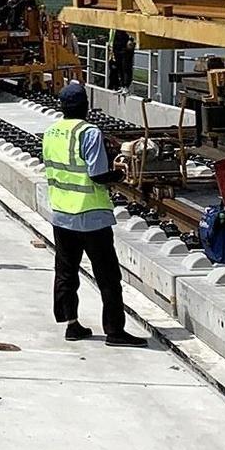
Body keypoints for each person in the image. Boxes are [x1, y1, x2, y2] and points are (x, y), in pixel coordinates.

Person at [43, 79, 134, 341]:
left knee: (66, 272)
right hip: (92, 217)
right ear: (86, 106)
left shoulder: (51, 132)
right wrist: (119, 175)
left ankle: (72, 324)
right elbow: (97, 175)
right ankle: (115, 331)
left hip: (62, 215)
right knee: (107, 275)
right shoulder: (90, 133)